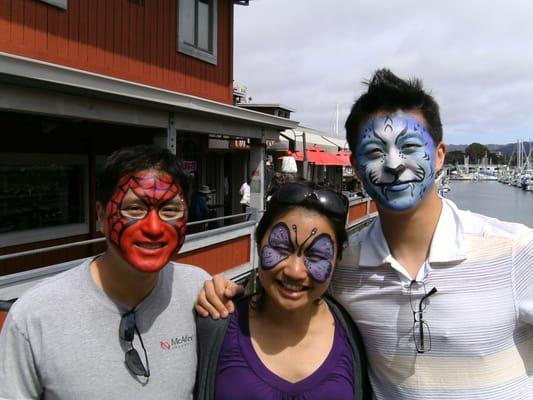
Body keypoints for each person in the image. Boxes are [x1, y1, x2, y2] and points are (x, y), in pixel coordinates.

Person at [195, 69, 533, 399]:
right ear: (355, 166)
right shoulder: (341, 267)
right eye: (375, 152)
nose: (393, 164)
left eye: (411, 146)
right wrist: (222, 291)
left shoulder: (515, 250)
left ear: (440, 155)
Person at [0, 145, 210, 399]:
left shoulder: (200, 291)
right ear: (101, 215)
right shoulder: (34, 315)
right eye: (134, 209)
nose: (154, 228)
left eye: (170, 210)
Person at [195, 181, 371, 400]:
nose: (295, 271)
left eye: (315, 256)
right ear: (258, 243)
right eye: (280, 248)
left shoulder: (358, 332)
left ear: (336, 260)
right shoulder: (214, 324)